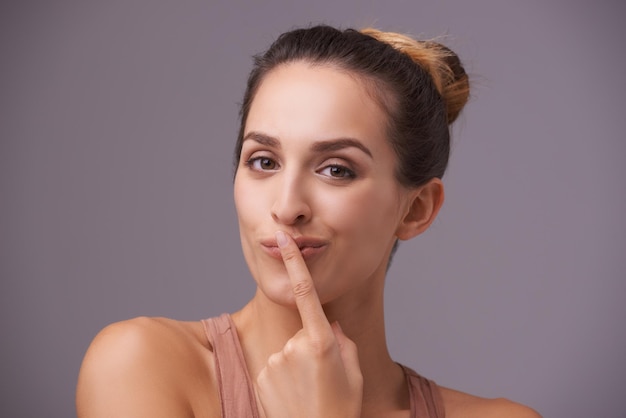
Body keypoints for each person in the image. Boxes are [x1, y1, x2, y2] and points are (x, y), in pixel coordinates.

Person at [76, 25, 541, 417]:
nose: (287, 206)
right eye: (263, 161)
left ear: (416, 209)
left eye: (336, 169)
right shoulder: (141, 366)